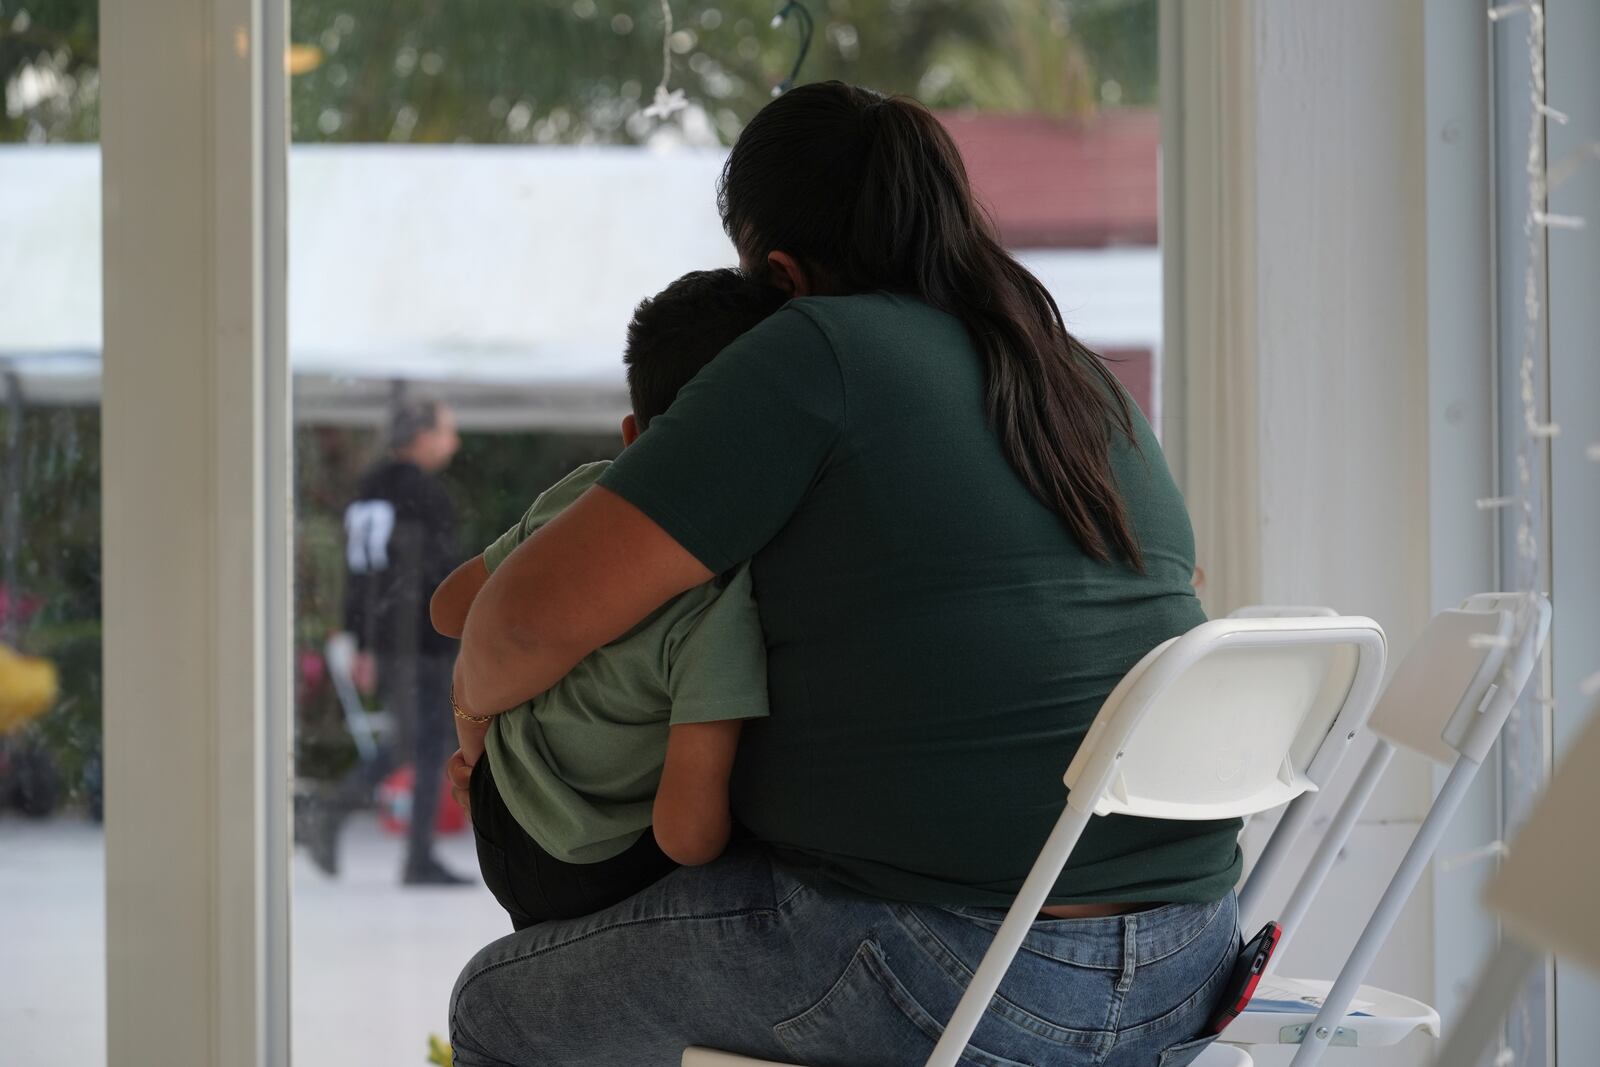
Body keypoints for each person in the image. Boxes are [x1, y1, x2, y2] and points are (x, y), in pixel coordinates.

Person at [446, 83, 1241, 1067]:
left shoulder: (813, 347)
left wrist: (480, 743)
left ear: (777, 270)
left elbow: (516, 625)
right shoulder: (1070, 374)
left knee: (500, 1001)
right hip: (1192, 958)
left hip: (957, 969)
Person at [429, 270, 784, 929]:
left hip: (502, 812)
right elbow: (685, 833)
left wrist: (480, 747)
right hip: (589, 872)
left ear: (632, 434)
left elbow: (450, 607)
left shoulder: (585, 495)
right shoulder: (725, 604)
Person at [335, 397, 471, 886]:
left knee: (418, 738)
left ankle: (338, 814)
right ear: (422, 436)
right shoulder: (424, 494)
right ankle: (413, 855)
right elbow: (434, 574)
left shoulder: (369, 488)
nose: (453, 442)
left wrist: (362, 639)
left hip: (387, 635)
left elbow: (360, 572)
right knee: (429, 738)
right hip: (420, 636)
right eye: (447, 431)